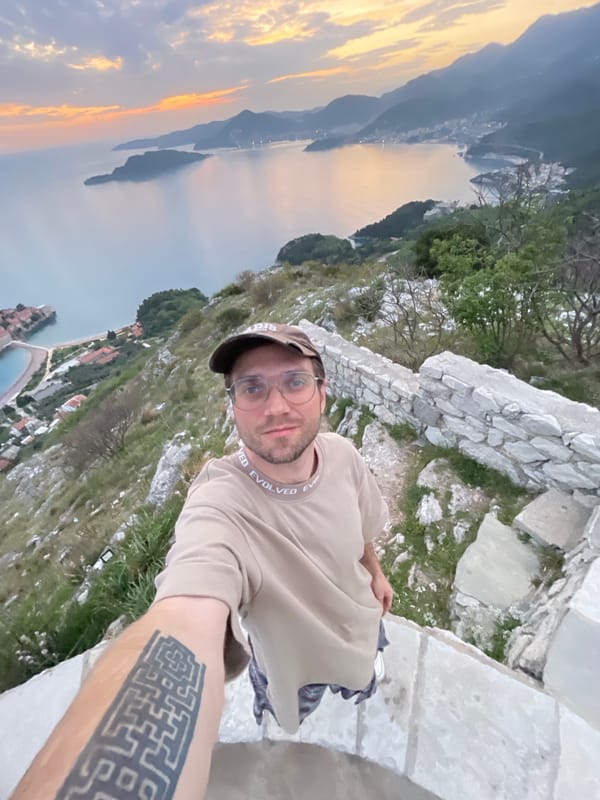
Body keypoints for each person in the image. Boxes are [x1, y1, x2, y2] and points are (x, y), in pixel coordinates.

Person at [11, 322, 394, 800]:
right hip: (292, 665)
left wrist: (376, 574)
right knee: (297, 708)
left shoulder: (342, 455)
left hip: (361, 626)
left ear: (322, 391)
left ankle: (361, 677)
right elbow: (185, 614)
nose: (276, 406)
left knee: (362, 679)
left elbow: (362, 528)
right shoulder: (221, 503)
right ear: (232, 404)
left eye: (295, 381)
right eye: (252, 388)